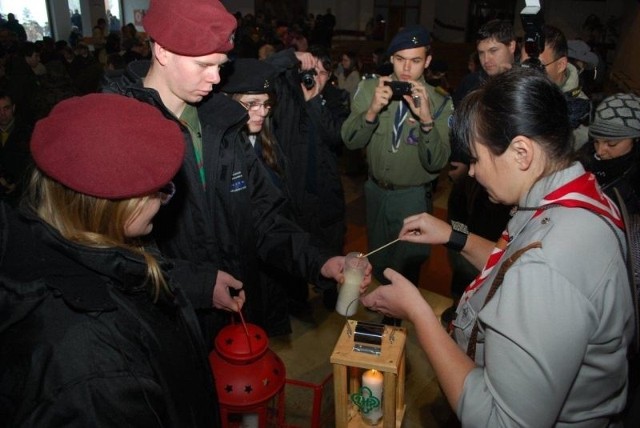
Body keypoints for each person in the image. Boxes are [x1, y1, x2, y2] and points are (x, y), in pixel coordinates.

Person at [361, 67, 634, 426]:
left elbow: (499, 420)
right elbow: (511, 264)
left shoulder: (547, 268)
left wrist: (419, 311)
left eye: (476, 158)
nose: (472, 172)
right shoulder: (575, 194)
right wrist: (453, 236)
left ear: (521, 152)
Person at [102, 0, 368, 344]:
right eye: (204, 65)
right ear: (163, 51)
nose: (215, 78)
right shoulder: (116, 127)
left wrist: (320, 261)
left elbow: (263, 216)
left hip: (237, 309)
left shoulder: (221, 121)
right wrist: (196, 284)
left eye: (220, 66)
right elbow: (106, 246)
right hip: (167, 321)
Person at [0, 93, 221, 426]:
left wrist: (201, 284)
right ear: (114, 206)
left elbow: (127, 278)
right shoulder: (96, 366)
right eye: (159, 189)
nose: (163, 201)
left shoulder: (56, 244)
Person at [341, 25, 453, 290]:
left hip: (412, 197)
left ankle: (396, 322)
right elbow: (349, 140)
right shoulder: (369, 89)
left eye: (415, 61)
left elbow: (437, 162)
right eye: (400, 59)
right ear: (391, 58)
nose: (406, 68)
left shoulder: (441, 103)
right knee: (377, 261)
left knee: (406, 268)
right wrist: (371, 112)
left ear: (427, 61)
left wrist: (426, 120)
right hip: (376, 191)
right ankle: (379, 314)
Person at [444, 19, 515, 326]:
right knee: (460, 241)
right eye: (483, 51)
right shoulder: (470, 84)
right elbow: (457, 127)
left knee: (496, 253)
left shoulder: (524, 87)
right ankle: (458, 305)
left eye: (495, 50)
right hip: (468, 182)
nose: (488, 58)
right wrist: (458, 162)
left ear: (512, 47)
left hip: (506, 190)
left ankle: (486, 319)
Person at [219, 57, 296, 334]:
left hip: (270, 259)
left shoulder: (266, 139)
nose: (261, 112)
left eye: (265, 104)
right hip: (242, 266)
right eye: (250, 104)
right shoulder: (223, 152)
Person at [520, 24, 591, 150]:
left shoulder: (581, 112)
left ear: (561, 65)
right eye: (526, 64)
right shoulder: (515, 92)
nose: (530, 73)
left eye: (537, 65)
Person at [578, 93, 640, 214]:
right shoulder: (585, 155)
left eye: (611, 144)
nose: (600, 151)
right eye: (596, 141)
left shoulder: (635, 183)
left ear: (635, 139)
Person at [0, 92, 32, 206]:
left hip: (21, 197)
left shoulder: (28, 132)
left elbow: (32, 164)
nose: (2, 114)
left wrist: (17, 184)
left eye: (6, 108)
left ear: (13, 108)